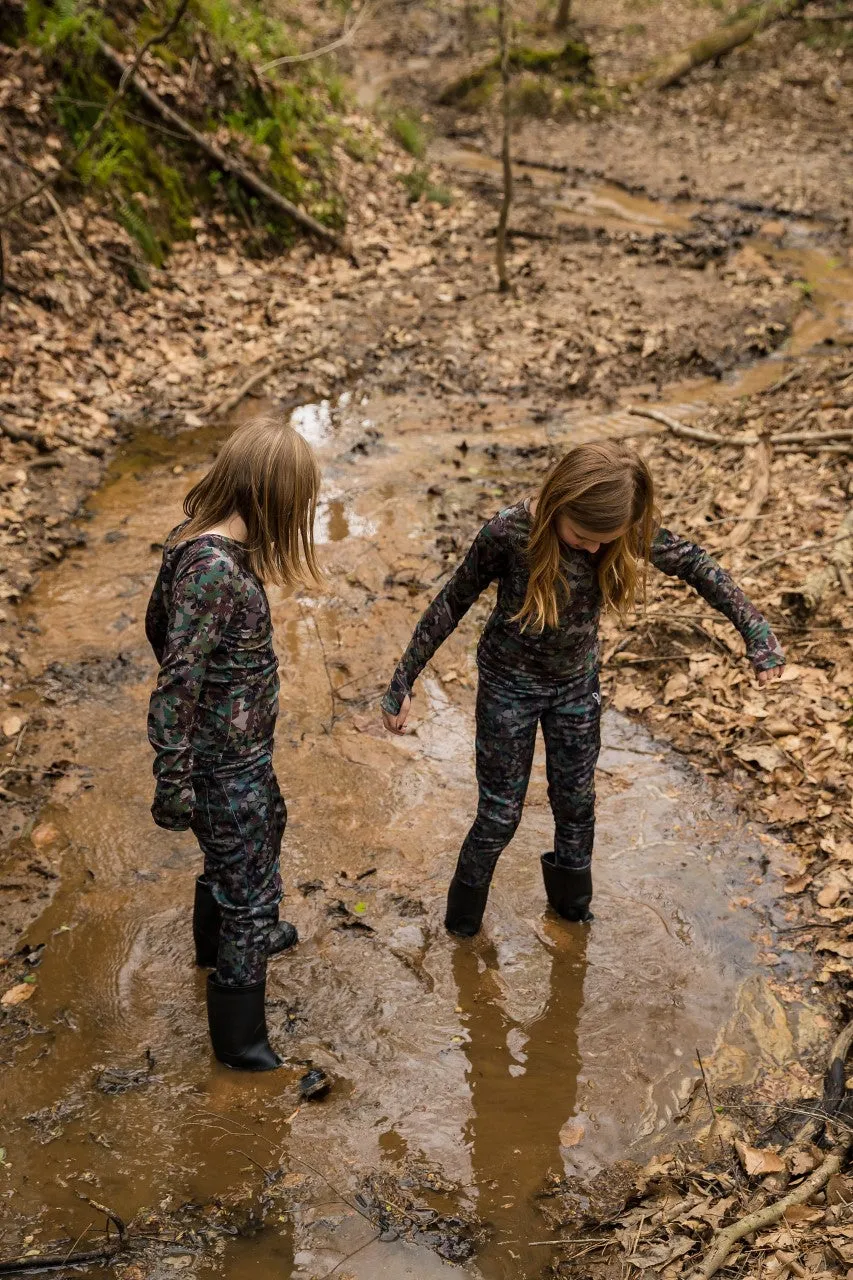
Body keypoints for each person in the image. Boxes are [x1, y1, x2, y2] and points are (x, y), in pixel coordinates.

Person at [381, 441, 784, 937]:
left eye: (606, 540)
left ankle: (573, 921)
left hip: (576, 688)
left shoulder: (621, 531)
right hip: (508, 688)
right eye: (584, 537)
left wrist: (757, 635)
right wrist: (404, 679)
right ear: (557, 503)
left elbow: (698, 566)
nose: (595, 549)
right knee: (499, 817)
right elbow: (451, 601)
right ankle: (461, 934)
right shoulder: (509, 534)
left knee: (576, 807)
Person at [145, 416, 321, 1071]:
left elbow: (158, 628)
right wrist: (174, 777)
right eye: (297, 504)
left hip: (239, 753)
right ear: (274, 499)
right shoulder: (215, 571)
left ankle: (214, 949)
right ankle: (241, 1046)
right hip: (223, 763)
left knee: (267, 827)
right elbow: (176, 677)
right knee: (251, 895)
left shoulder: (191, 542)